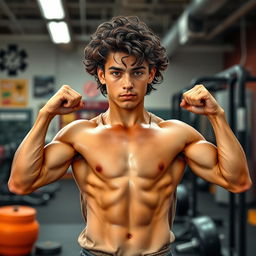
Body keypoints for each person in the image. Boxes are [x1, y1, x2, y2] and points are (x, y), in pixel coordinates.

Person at [8, 16, 252, 256]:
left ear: (150, 74)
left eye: (137, 72)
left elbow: (237, 181)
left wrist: (217, 115)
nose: (127, 83)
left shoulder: (176, 134)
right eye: (116, 73)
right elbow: (21, 183)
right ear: (102, 76)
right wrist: (45, 115)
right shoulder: (79, 135)